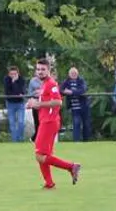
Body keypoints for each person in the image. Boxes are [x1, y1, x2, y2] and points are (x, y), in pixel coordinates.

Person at [27, 59, 81, 189]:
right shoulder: (44, 84)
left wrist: (38, 104)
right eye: (38, 69)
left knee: (39, 156)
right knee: (44, 155)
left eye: (43, 69)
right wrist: (33, 103)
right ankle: (49, 183)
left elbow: (58, 102)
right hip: (46, 121)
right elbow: (46, 102)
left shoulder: (51, 83)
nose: (40, 72)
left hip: (49, 122)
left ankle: (71, 166)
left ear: (48, 70)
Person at [3, 66, 28, 142]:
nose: (13, 75)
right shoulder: (6, 79)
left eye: (15, 74)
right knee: (12, 123)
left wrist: (14, 83)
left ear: (18, 73)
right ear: (8, 74)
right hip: (10, 103)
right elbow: (8, 92)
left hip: (20, 103)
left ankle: (20, 139)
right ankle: (15, 141)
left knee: (21, 122)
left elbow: (21, 91)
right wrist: (13, 82)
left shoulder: (21, 80)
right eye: (11, 74)